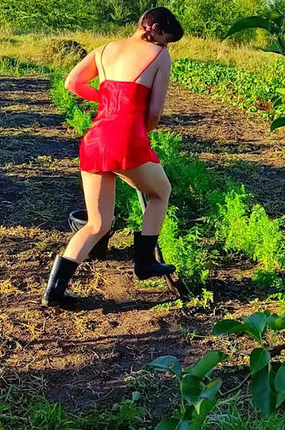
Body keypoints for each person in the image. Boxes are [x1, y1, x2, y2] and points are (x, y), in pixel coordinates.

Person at [42, 7, 184, 306]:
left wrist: (107, 101)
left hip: (95, 139)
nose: (166, 46)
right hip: (126, 139)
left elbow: (72, 83)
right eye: (166, 39)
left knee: (97, 224)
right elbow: (154, 112)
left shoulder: (104, 50)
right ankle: (144, 263)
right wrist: (140, 132)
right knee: (161, 193)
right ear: (156, 30)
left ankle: (54, 292)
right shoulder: (159, 56)